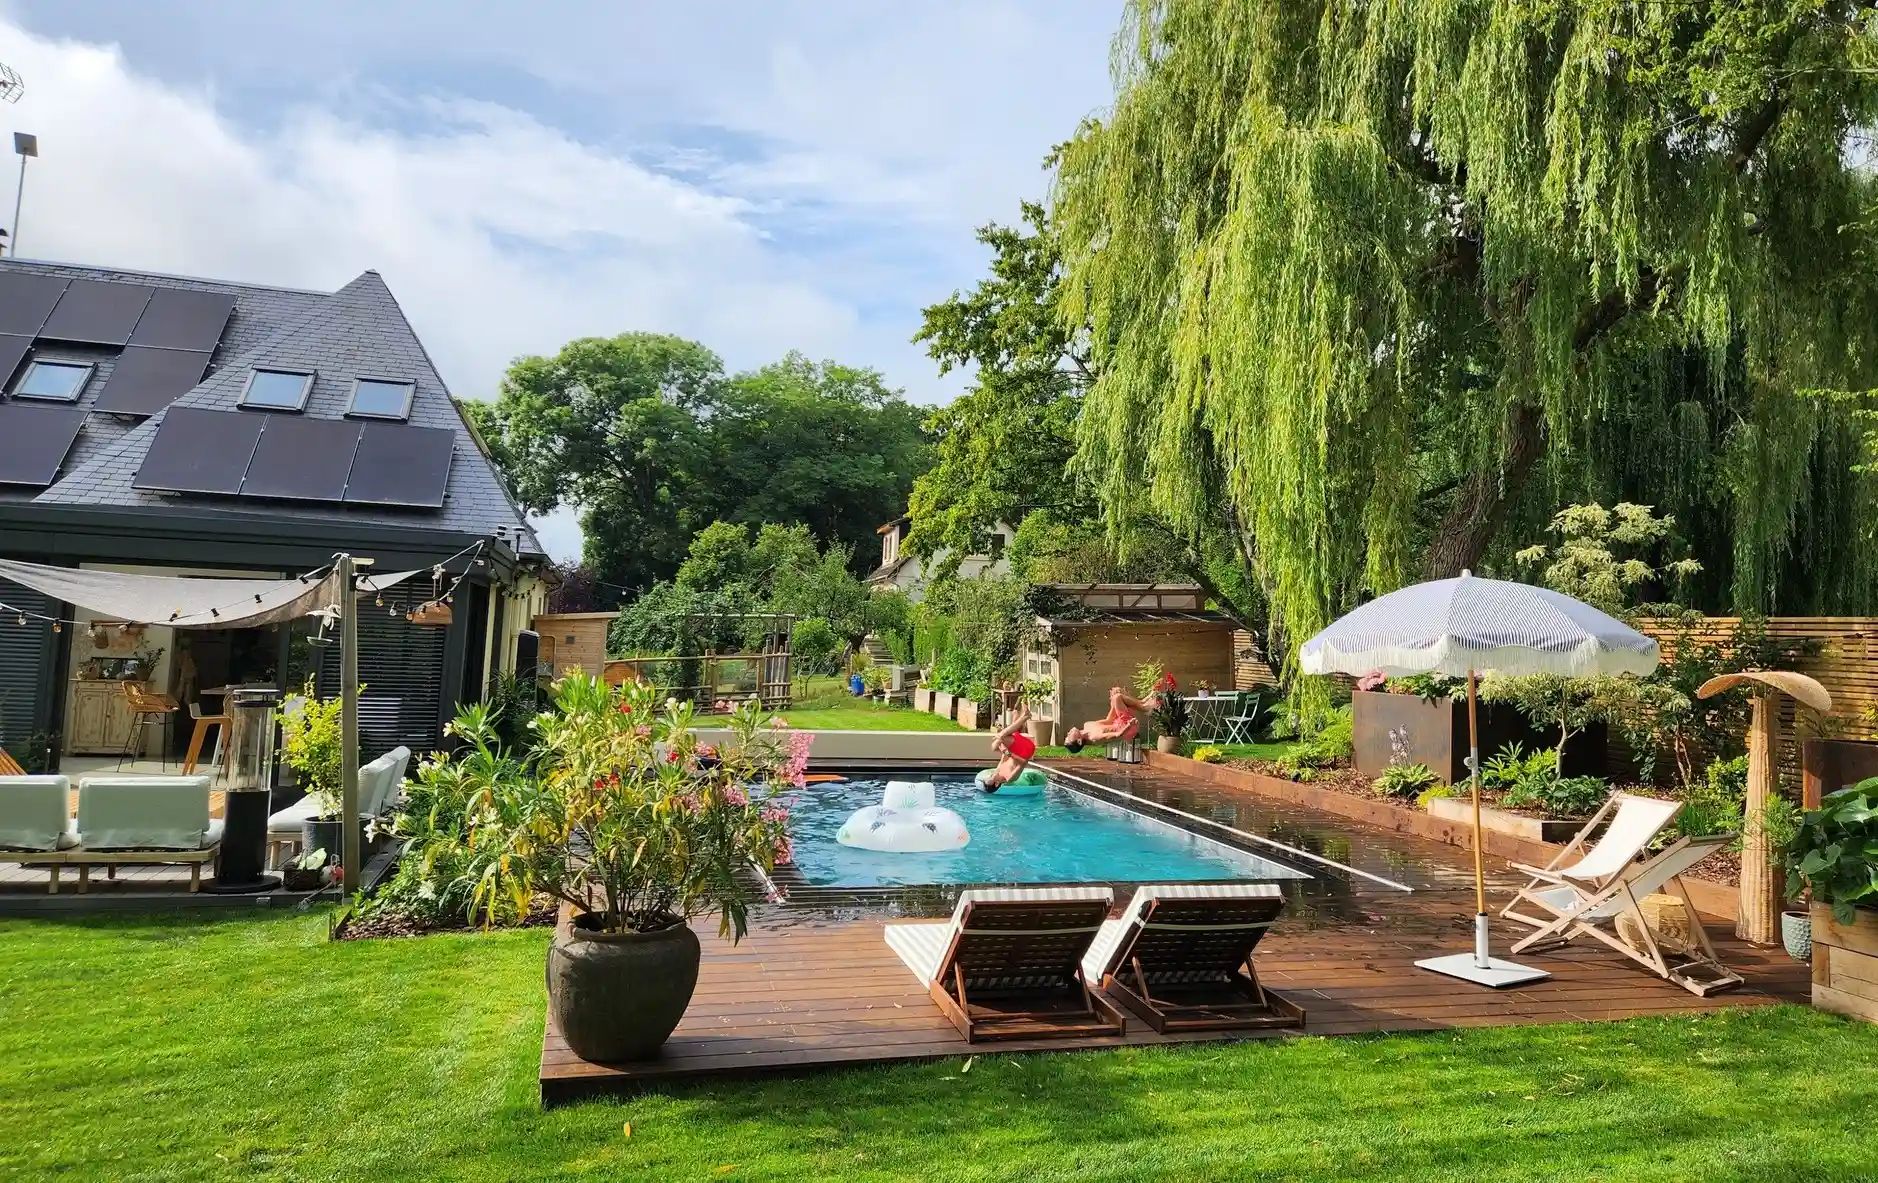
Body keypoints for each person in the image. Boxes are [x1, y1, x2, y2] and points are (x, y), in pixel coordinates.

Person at [1063, 685, 1155, 754]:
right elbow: (1118, 735)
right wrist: (1129, 725)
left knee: (1116, 693)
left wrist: (1113, 703)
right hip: (1127, 728)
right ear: (1079, 741)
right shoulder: (1094, 737)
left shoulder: (1087, 724)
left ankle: (1142, 703)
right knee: (1117, 697)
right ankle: (1144, 707)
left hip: (1119, 721)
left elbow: (1109, 720)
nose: (1068, 734)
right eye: (1069, 737)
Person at [980, 705, 1036, 792]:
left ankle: (1019, 713)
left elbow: (1004, 757)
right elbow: (1024, 763)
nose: (990, 775)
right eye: (990, 778)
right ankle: (1025, 716)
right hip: (1025, 750)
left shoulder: (998, 771)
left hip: (1015, 750)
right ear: (996, 783)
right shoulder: (1010, 778)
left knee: (996, 744)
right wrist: (1008, 753)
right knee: (1000, 738)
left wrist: (1002, 748)